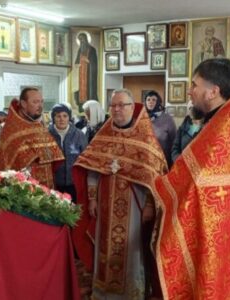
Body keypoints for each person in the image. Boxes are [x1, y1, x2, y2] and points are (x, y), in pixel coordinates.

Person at [153, 59, 230, 299]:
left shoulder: (224, 128)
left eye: (194, 85)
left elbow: (197, 180)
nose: (190, 91)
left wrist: (156, 184)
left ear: (213, 91)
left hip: (222, 223)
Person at [72, 89, 167, 299]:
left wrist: (150, 206)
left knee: (131, 250)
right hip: (105, 204)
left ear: (132, 108)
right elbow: (92, 169)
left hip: (135, 205)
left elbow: (155, 178)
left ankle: (131, 292)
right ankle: (103, 291)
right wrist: (92, 197)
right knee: (105, 247)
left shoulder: (146, 140)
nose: (117, 110)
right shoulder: (103, 136)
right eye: (113, 105)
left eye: (122, 105)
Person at [0, 87, 64, 188]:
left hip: (47, 188)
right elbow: (4, 163)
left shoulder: (40, 127)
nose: (40, 106)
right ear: (24, 104)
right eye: (35, 102)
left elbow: (53, 159)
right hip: (22, 190)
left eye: (41, 102)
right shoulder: (10, 130)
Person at [48, 104, 87, 202]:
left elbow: (85, 158)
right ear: (53, 118)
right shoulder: (46, 134)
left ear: (69, 117)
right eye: (58, 116)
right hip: (53, 185)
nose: (62, 119)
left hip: (73, 184)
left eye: (65, 116)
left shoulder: (79, 135)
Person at [144, 91, 175, 167]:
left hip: (163, 160)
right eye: (148, 100)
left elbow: (174, 140)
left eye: (153, 100)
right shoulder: (142, 117)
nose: (150, 102)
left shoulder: (167, 118)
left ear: (158, 102)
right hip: (146, 159)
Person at [74, 33, 98, 104]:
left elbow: (94, 62)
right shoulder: (80, 50)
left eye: (82, 39)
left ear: (85, 39)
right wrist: (78, 64)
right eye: (79, 40)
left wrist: (87, 60)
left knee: (89, 88)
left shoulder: (92, 50)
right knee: (80, 88)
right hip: (81, 73)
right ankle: (81, 102)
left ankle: (89, 101)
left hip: (89, 73)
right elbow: (76, 62)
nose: (81, 41)